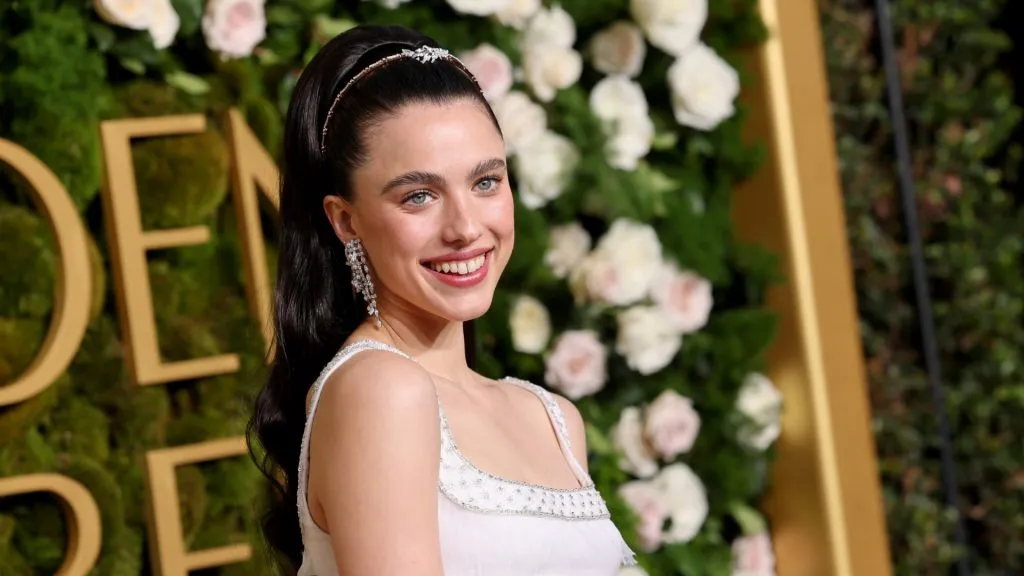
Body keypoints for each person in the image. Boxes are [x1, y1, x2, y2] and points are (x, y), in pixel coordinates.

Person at [248, 24, 636, 576]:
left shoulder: (554, 420)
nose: (465, 228)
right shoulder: (379, 390)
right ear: (345, 219)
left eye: (485, 182)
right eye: (419, 195)